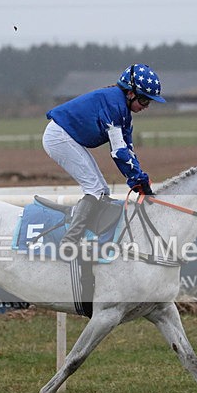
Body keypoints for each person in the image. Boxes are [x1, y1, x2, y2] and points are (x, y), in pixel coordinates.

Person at [42, 63, 166, 253]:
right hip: (58, 137)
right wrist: (137, 180)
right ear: (130, 93)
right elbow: (118, 152)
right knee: (95, 189)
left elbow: (129, 151)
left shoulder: (124, 114)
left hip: (68, 137)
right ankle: (69, 242)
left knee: (103, 191)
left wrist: (140, 179)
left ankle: (89, 236)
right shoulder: (114, 105)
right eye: (144, 100)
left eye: (149, 102)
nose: (145, 106)